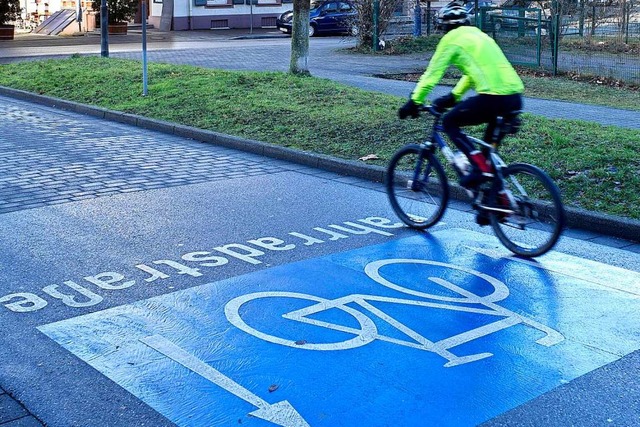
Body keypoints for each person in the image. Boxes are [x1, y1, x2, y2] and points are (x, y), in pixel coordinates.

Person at [398, 2, 524, 193]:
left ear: (444, 25)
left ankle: (480, 170)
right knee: (487, 156)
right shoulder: (480, 35)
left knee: (449, 122)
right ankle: (494, 200)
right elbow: (472, 73)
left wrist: (414, 101)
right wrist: (453, 96)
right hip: (514, 97)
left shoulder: (450, 39)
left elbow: (432, 75)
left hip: (493, 98)